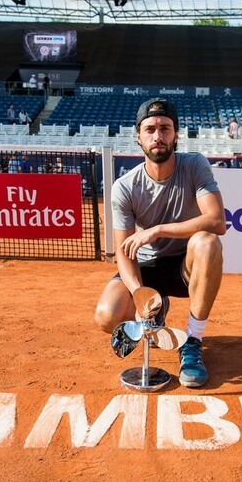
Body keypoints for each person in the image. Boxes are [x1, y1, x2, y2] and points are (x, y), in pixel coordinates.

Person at [93, 98, 226, 388]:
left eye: (165, 128)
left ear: (175, 134)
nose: (158, 136)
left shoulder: (194, 165)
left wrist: (157, 230)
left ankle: (192, 342)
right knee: (106, 317)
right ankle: (157, 308)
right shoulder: (124, 187)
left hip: (184, 267)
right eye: (150, 129)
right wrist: (138, 293)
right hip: (145, 269)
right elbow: (124, 252)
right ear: (138, 137)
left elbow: (217, 221)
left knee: (208, 243)